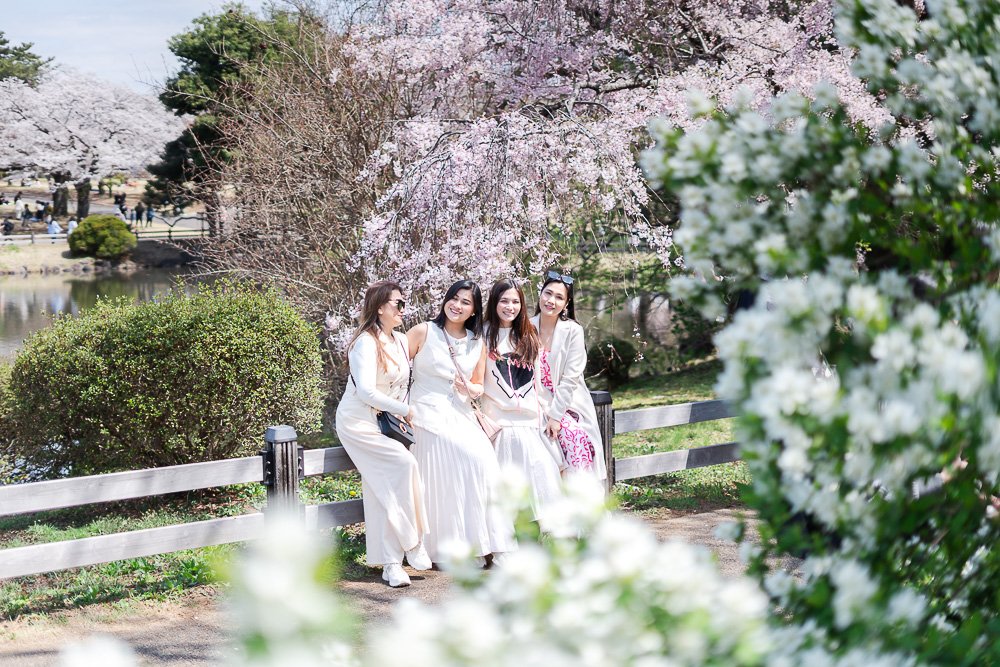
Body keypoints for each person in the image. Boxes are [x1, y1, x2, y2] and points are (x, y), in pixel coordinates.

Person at [406, 280, 516, 566]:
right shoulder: (423, 331)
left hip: (461, 414)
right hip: (426, 415)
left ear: (474, 310)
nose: (457, 305)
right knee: (459, 461)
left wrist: (467, 386)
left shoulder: (476, 341)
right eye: (454, 298)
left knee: (484, 461)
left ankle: (493, 545)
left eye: (466, 302)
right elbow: (395, 368)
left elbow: (479, 385)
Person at [336, 281, 432, 587]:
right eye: (398, 303)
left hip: (384, 421)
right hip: (357, 422)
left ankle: (391, 565)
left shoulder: (401, 341)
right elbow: (366, 392)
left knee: (380, 488)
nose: (403, 309)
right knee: (404, 464)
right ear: (380, 308)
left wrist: (402, 411)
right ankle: (412, 541)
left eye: (404, 303)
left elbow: (402, 384)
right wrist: (404, 409)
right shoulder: (365, 343)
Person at [482, 279, 564, 521]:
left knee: (540, 483)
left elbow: (537, 383)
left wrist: (550, 415)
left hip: (529, 423)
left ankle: (538, 535)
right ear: (494, 302)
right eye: (504, 301)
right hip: (499, 424)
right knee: (504, 494)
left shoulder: (528, 334)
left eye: (515, 301)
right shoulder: (482, 335)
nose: (510, 307)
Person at [531, 270, 607, 481]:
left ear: (566, 304)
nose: (551, 301)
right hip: (534, 402)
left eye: (559, 297)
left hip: (566, 404)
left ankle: (581, 495)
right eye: (548, 293)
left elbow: (570, 379)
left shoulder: (572, 330)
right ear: (540, 294)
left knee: (574, 437)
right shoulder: (526, 327)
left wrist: (556, 416)